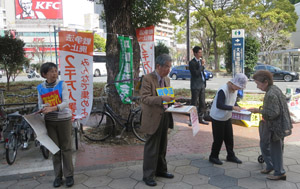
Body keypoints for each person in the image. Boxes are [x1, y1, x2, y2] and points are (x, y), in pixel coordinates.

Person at [248, 70, 292, 180]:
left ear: (266, 82)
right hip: (278, 124)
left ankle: (279, 172)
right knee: (270, 146)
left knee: (276, 149)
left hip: (277, 126)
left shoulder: (271, 93)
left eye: (258, 84)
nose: (258, 87)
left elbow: (274, 112)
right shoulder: (273, 89)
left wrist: (258, 111)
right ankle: (271, 166)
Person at [37, 62, 74, 187]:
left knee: (66, 148)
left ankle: (69, 176)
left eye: (55, 71)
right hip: (50, 121)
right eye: (51, 71)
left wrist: (53, 108)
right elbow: (40, 103)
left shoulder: (62, 84)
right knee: (55, 150)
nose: (54, 74)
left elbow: (66, 103)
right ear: (44, 74)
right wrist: (42, 108)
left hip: (64, 120)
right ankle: (58, 176)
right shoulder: (40, 87)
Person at [140, 54, 175, 187]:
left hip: (165, 115)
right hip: (152, 117)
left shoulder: (167, 79)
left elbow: (168, 96)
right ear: (158, 66)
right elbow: (145, 98)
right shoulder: (148, 78)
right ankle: (148, 175)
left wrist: (173, 101)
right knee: (151, 147)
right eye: (166, 66)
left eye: (170, 67)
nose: (168, 70)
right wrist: (162, 99)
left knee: (162, 145)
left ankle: (161, 170)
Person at [209, 73, 248, 165]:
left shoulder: (234, 90)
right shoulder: (223, 89)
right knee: (218, 139)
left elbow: (233, 102)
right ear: (233, 83)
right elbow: (220, 105)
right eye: (238, 87)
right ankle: (213, 156)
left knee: (229, 137)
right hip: (217, 117)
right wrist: (233, 108)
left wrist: (239, 108)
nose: (239, 89)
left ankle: (230, 155)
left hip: (226, 116)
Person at [189, 46, 209, 125]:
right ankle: (191, 120)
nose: (201, 54)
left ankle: (201, 118)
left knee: (202, 102)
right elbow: (196, 73)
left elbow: (201, 73)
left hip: (202, 85)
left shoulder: (200, 61)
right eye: (200, 52)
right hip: (195, 85)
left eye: (201, 52)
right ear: (195, 53)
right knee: (194, 103)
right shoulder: (192, 63)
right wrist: (202, 66)